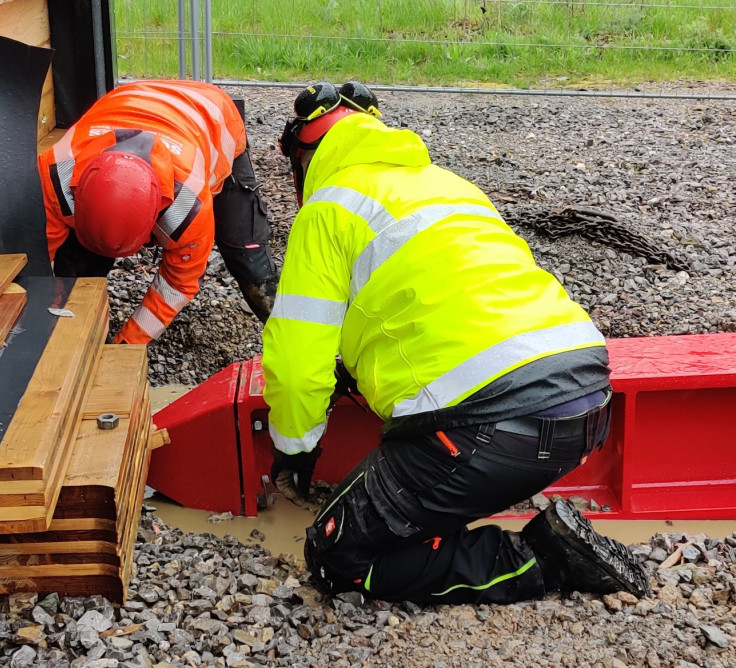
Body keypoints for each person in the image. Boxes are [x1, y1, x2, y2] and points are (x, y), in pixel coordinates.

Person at [262, 80, 649, 606]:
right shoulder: (448, 184)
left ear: (306, 159)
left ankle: (544, 560)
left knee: (338, 557)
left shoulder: (328, 209)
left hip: (489, 429)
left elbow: (295, 365)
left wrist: (296, 449)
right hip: (588, 401)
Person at [38, 80, 278, 344]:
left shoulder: (189, 205)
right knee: (75, 259)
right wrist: (48, 316)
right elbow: (39, 256)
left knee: (247, 257)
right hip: (133, 99)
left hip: (211, 114)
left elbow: (176, 285)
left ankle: (292, 340)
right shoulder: (55, 172)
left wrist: (126, 346)